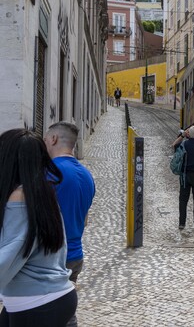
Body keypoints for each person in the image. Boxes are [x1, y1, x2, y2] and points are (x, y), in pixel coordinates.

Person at [0, 129, 77, 326]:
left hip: (36, 304)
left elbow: (8, 255)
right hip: (51, 297)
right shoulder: (41, 192)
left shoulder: (20, 197)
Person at [44, 122, 95, 327]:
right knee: (64, 314)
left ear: (54, 139)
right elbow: (84, 219)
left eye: (46, 140)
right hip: (75, 257)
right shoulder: (87, 176)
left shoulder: (50, 172)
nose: (45, 145)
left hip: (51, 257)